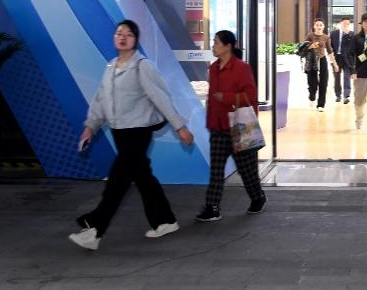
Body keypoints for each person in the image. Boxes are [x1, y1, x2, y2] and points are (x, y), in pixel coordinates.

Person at [69, 20, 195, 250]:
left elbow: (161, 98)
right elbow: (100, 100)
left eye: (128, 34)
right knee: (143, 177)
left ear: (135, 40)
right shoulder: (111, 67)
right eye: (119, 33)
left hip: (138, 131)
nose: (123, 37)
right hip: (119, 131)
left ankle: (96, 228)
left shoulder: (142, 66)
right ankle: (165, 220)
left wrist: (180, 127)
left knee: (117, 182)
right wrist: (90, 127)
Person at [195, 29, 267, 222]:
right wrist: (210, 122)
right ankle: (212, 207)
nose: (213, 46)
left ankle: (258, 197)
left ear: (228, 46)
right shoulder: (213, 68)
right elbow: (211, 98)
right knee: (216, 169)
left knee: (247, 170)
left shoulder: (242, 68)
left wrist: (226, 97)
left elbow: (250, 96)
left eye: (217, 42)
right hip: (218, 126)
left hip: (239, 127)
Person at [302, 18, 334, 111]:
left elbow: (330, 51)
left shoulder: (326, 37)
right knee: (313, 84)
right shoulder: (310, 36)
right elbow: (303, 48)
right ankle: (312, 96)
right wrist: (311, 46)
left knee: (324, 82)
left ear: (323, 27)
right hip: (312, 60)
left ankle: (321, 105)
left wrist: (334, 64)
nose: (319, 26)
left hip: (322, 59)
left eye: (320, 25)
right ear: (314, 26)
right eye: (317, 25)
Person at [329, 18, 354, 104]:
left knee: (347, 77)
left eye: (348, 23)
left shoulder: (352, 34)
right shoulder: (334, 33)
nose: (346, 25)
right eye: (344, 23)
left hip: (347, 59)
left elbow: (353, 47)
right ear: (340, 23)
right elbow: (330, 47)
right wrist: (331, 59)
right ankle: (338, 95)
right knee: (337, 77)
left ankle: (346, 96)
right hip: (336, 58)